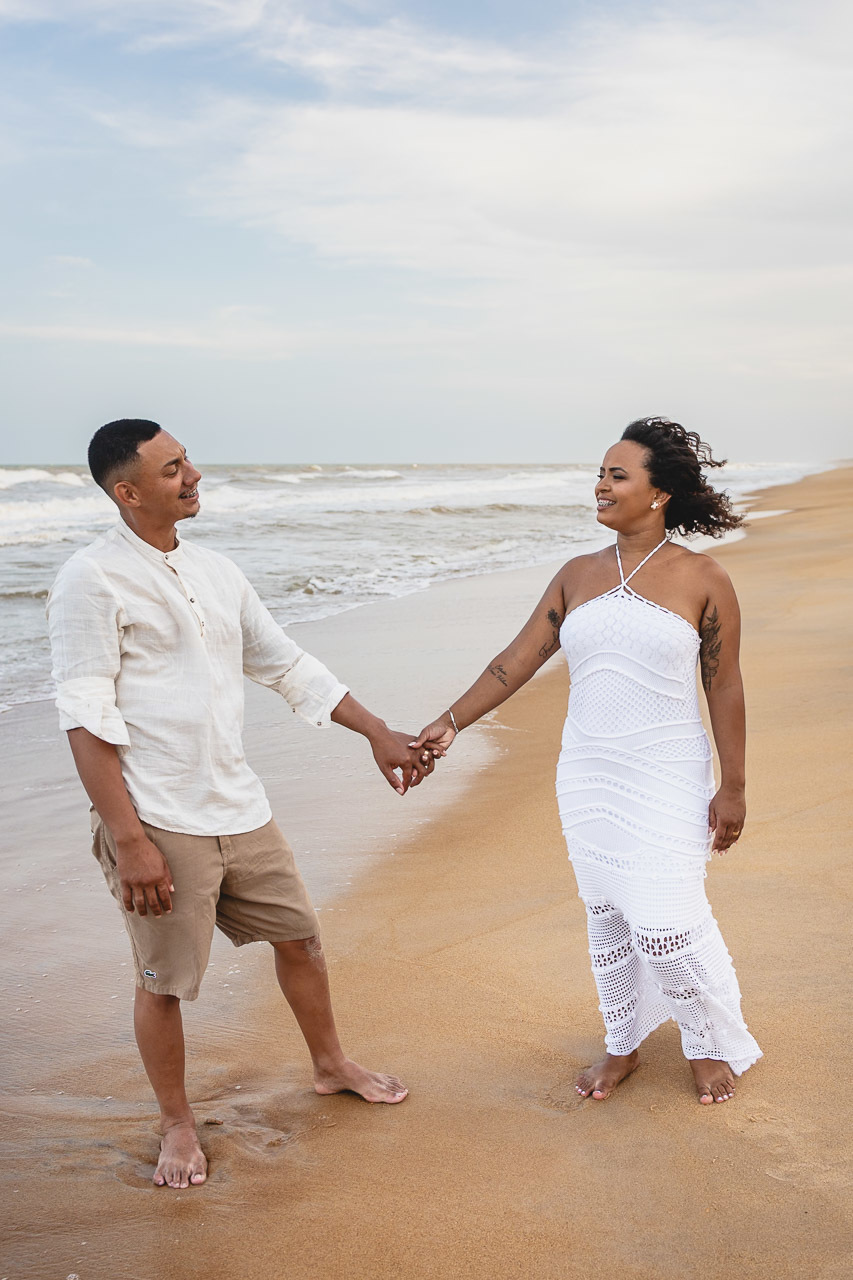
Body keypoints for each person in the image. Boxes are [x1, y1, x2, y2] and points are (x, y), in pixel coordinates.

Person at [47, 419, 437, 1190]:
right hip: (158, 817)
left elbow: (283, 662)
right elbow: (85, 717)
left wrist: (374, 732)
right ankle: (178, 1125)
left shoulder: (218, 571)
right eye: (171, 468)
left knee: (300, 939)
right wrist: (129, 840)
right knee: (163, 983)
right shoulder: (89, 581)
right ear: (127, 493)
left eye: (186, 459)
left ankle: (328, 1064)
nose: (192, 475)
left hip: (239, 806)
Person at [411, 417, 762, 1105]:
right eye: (599, 474)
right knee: (608, 916)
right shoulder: (576, 574)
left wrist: (735, 786)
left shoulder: (702, 577)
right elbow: (515, 662)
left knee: (664, 921)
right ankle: (621, 1043)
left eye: (616, 474)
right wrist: (450, 722)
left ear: (659, 493)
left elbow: (723, 683)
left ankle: (706, 1038)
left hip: (667, 771)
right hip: (588, 774)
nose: (599, 485)